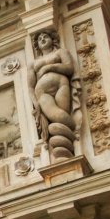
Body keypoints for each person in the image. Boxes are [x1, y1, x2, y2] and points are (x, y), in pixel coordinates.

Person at [29, 30, 76, 161]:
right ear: (37, 45)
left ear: (52, 39)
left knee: (62, 117)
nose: (43, 39)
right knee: (58, 118)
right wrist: (35, 103)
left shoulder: (60, 52)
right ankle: (63, 158)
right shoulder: (33, 63)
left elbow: (69, 68)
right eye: (40, 39)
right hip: (42, 93)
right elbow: (30, 87)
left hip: (62, 85)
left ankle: (68, 147)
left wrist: (49, 68)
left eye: (45, 37)